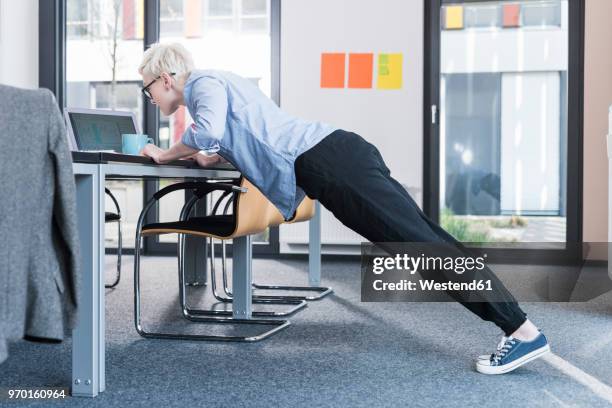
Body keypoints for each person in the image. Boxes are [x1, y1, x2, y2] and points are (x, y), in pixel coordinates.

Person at [138, 42, 550, 374]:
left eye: (147, 87)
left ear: (167, 77)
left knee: (423, 246)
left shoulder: (203, 82)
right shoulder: (213, 90)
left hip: (332, 163)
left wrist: (167, 153)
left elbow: (207, 130)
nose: (150, 97)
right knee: (425, 241)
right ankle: (518, 326)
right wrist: (210, 157)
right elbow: (237, 138)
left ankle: (522, 331)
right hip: (335, 159)